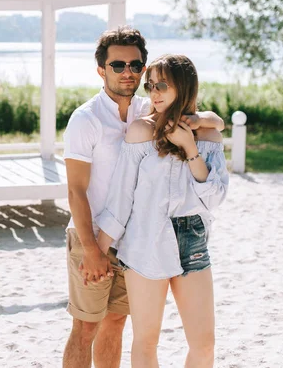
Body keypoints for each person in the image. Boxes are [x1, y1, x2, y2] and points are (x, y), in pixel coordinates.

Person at [62, 28, 225, 368]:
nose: (129, 73)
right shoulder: (88, 119)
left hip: (168, 238)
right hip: (99, 234)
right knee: (87, 326)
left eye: (136, 66)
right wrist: (94, 249)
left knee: (118, 323)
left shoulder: (146, 109)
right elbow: (82, 191)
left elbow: (213, 187)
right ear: (101, 69)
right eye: (118, 65)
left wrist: (195, 134)